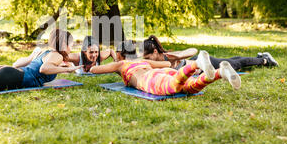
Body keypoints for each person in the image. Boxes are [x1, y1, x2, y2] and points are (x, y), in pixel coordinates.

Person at [89, 40, 241, 96]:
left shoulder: (121, 64)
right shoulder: (142, 60)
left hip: (148, 79)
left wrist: (114, 64)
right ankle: (220, 72)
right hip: (162, 72)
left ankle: (197, 63)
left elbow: (93, 70)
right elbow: (167, 65)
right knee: (186, 87)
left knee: (173, 88)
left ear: (120, 55)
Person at [143, 35, 278, 70]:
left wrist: (179, 56)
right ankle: (259, 56)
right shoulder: (156, 62)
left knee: (236, 64)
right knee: (231, 59)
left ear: (155, 51)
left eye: (149, 56)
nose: (149, 60)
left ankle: (265, 60)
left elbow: (193, 50)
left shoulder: (168, 57)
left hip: (205, 63)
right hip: (200, 64)